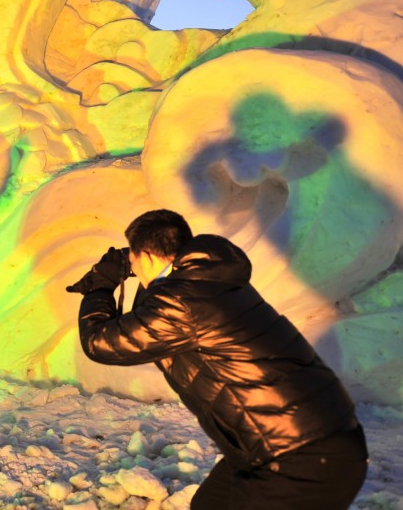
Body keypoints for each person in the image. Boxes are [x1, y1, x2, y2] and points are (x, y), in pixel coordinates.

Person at [68, 209, 368, 510]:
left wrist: (100, 287)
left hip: (300, 460)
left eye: (134, 258)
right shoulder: (207, 283)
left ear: (146, 257)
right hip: (288, 449)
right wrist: (129, 264)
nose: (131, 265)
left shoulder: (182, 301)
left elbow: (101, 343)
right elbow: (159, 300)